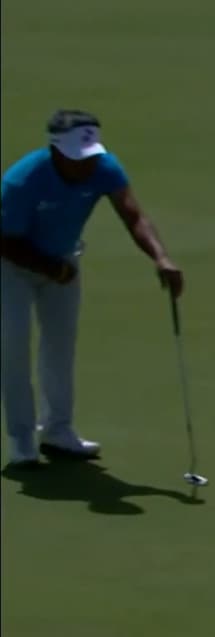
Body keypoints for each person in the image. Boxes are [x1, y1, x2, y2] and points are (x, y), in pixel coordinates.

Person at [1, 110, 184, 468]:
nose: (85, 167)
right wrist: (53, 269)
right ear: (54, 150)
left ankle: (57, 430)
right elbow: (5, 241)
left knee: (60, 347)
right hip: (11, 268)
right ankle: (21, 439)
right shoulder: (23, 181)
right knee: (13, 350)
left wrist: (161, 258)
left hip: (63, 262)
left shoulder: (103, 167)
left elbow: (133, 215)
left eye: (89, 157)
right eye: (75, 159)